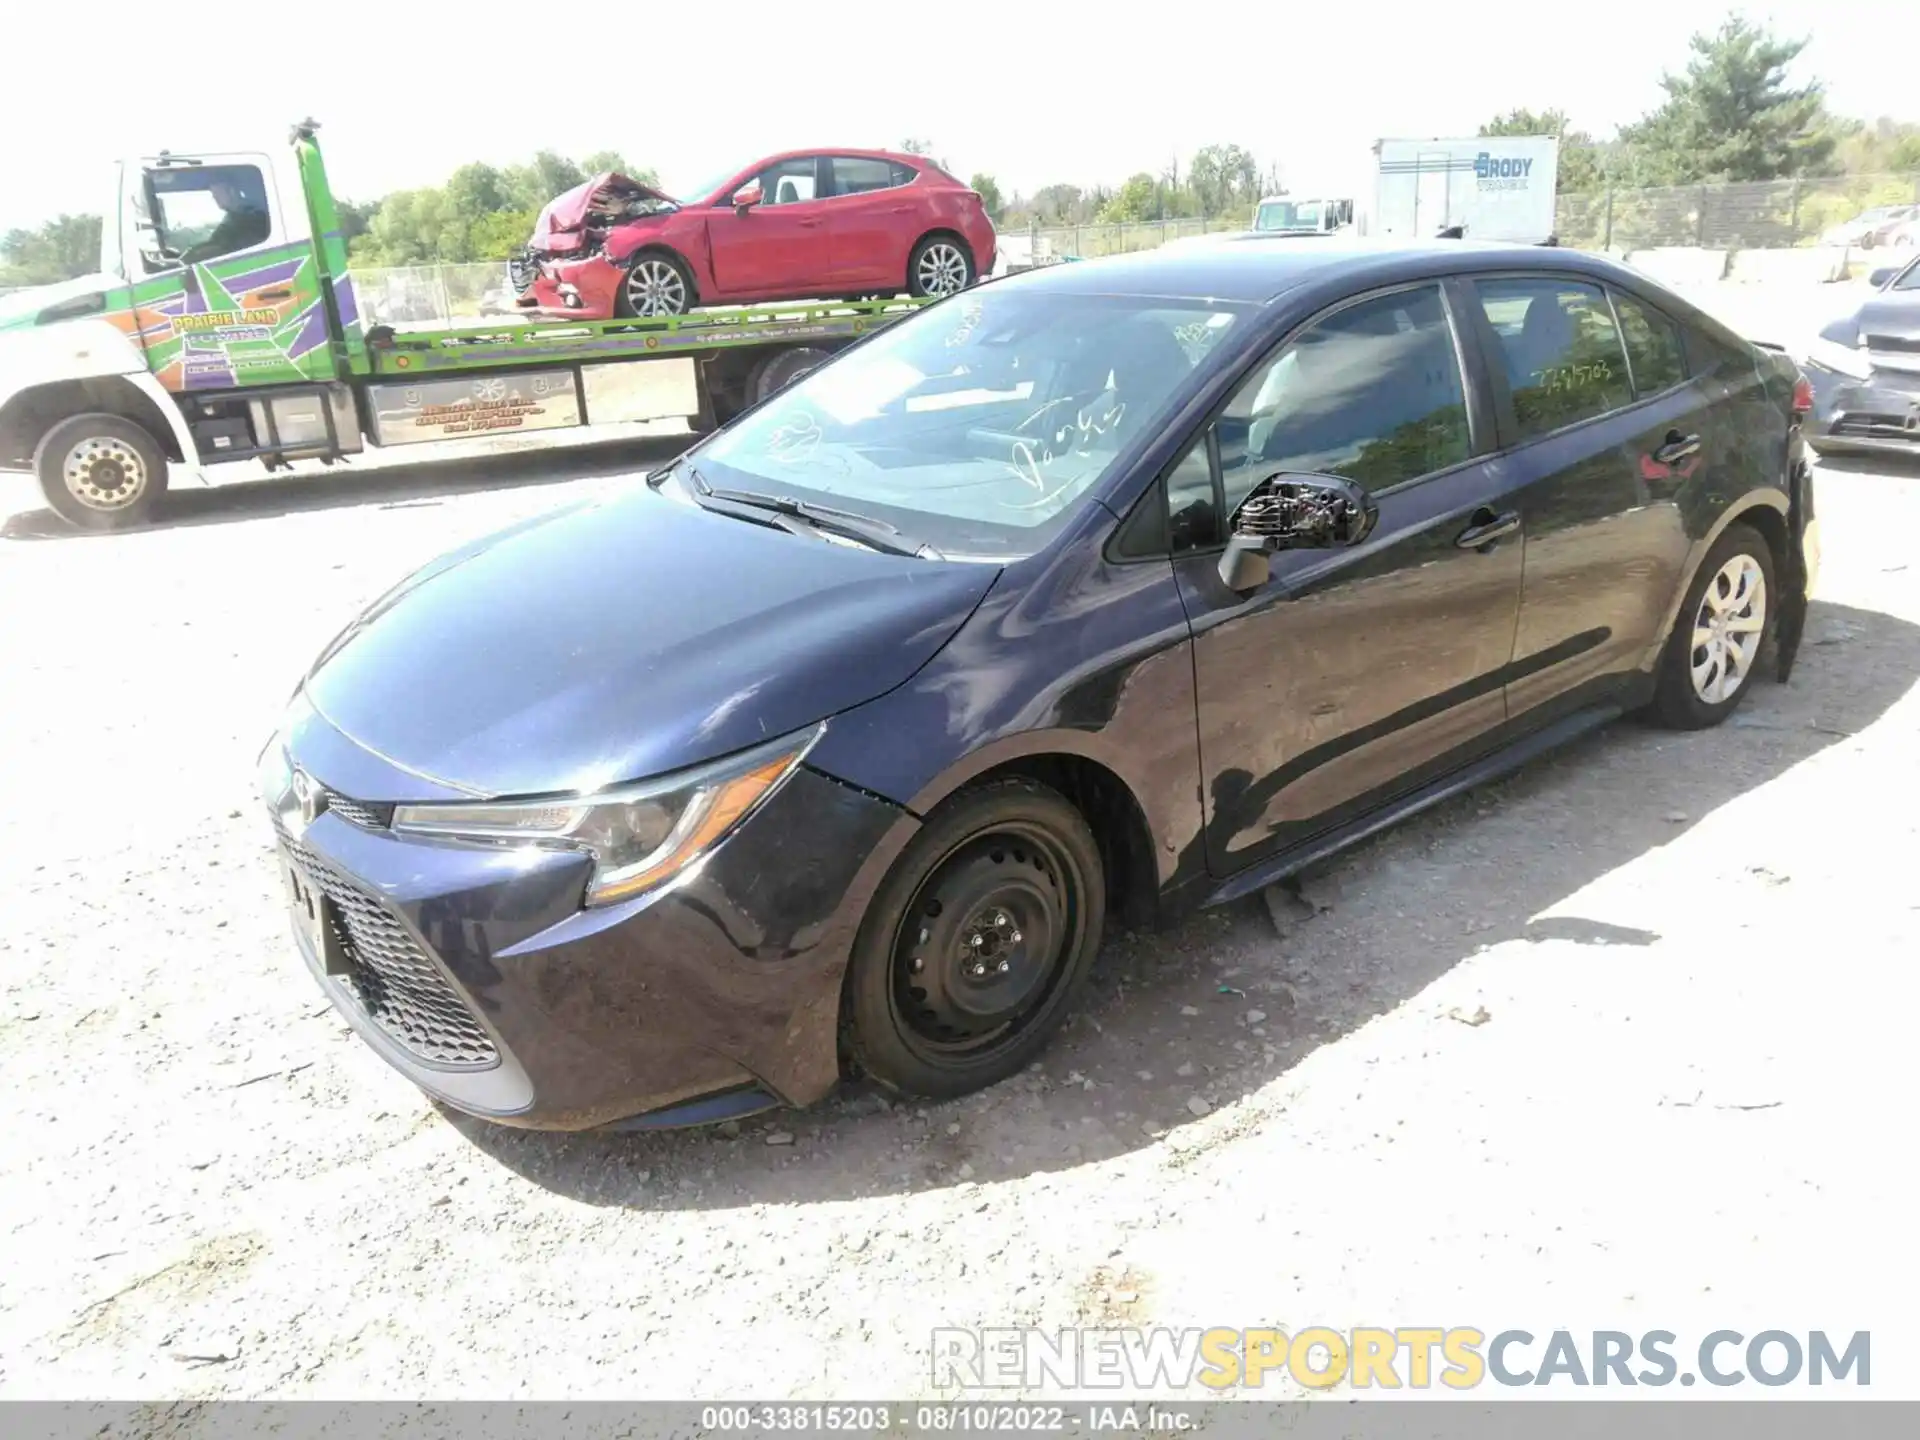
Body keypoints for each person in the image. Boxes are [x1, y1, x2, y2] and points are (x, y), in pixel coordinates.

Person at [179, 174, 271, 265]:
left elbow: (232, 247)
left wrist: (201, 253)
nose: (215, 198)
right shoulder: (233, 215)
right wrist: (194, 251)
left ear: (231, 191)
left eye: (217, 193)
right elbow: (218, 241)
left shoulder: (253, 215)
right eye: (213, 195)